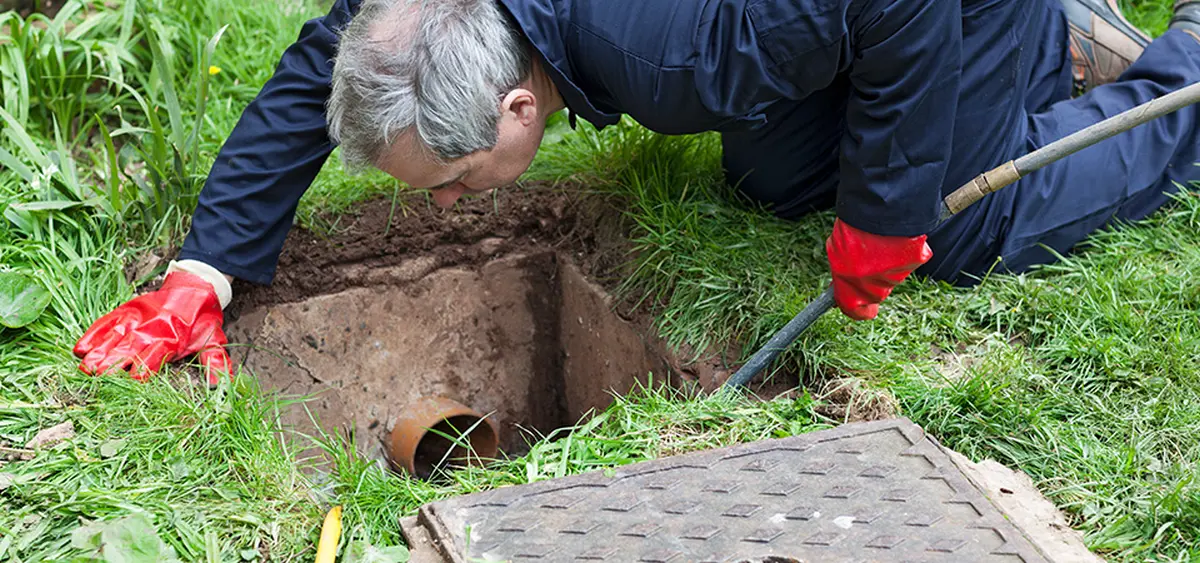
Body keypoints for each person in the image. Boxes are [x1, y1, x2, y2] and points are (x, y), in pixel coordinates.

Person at [71, 0, 1200, 384]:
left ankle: (1178, 73)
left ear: (519, 110)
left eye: (455, 181)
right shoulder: (445, 12)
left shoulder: (682, 57)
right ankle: (1052, 37)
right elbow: (333, 49)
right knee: (775, 175)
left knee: (953, 229)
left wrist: (891, 212)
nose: (450, 207)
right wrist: (202, 269)